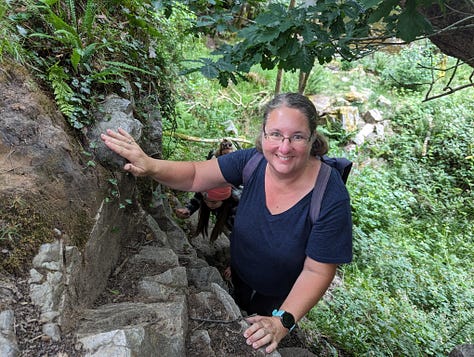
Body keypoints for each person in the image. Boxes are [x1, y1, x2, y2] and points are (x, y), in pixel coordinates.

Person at [101, 92, 352, 354]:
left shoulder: (329, 196)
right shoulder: (252, 162)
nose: (284, 147)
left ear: (313, 138)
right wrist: (149, 165)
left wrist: (282, 322)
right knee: (240, 305)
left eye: (297, 136)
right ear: (263, 134)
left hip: (280, 293)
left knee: (262, 324)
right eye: (275, 134)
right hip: (240, 274)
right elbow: (196, 175)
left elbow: (318, 271)